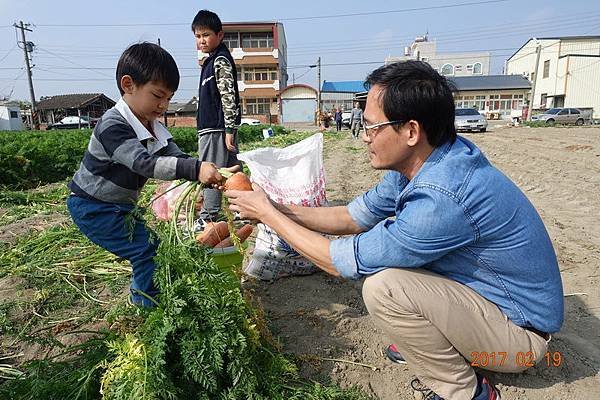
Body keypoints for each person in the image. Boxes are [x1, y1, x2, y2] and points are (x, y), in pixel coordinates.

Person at [225, 60, 563, 400]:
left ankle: (466, 391)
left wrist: (268, 215)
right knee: (390, 254)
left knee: (383, 287)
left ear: (411, 131)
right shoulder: (428, 161)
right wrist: (275, 207)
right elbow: (351, 217)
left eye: (372, 127)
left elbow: (336, 261)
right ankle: (437, 342)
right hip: (489, 307)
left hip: (520, 340)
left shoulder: (442, 197)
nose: (364, 136)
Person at [67, 42, 227, 307]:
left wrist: (216, 171)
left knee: (152, 247)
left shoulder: (151, 125)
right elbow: (144, 163)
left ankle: (144, 296)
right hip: (93, 207)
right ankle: (147, 306)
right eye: (157, 95)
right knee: (146, 251)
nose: (164, 105)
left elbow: (176, 156)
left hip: (119, 208)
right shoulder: (113, 124)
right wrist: (196, 170)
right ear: (128, 84)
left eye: (169, 98)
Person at [193, 9, 242, 229]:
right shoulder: (211, 61)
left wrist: (229, 128)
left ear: (219, 35)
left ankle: (209, 216)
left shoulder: (220, 60)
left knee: (211, 171)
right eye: (197, 36)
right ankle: (243, 208)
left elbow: (228, 96)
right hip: (216, 128)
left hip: (216, 128)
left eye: (205, 35)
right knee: (232, 171)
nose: (201, 40)